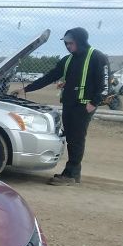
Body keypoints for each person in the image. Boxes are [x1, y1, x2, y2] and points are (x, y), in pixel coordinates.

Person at [14, 28, 109, 185]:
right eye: (66, 43)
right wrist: (25, 89)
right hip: (70, 104)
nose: (67, 46)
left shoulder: (97, 57)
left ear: (80, 41)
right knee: (70, 138)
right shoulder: (67, 60)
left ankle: (71, 175)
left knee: (76, 139)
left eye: (70, 43)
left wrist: (94, 103)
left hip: (84, 106)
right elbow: (50, 77)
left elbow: (104, 85)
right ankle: (71, 173)